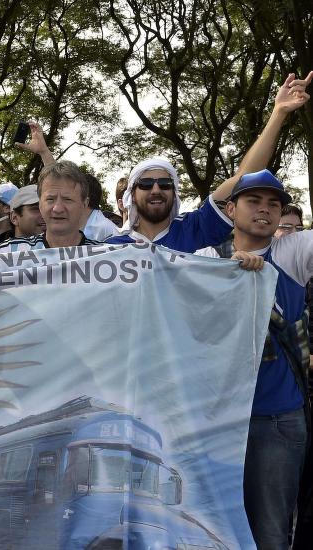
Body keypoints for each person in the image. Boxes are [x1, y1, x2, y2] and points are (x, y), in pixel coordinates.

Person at [195, 170, 308, 549]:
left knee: (272, 533)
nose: (264, 210)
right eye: (253, 201)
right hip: (216, 421)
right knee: (212, 530)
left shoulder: (291, 253)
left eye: (273, 204)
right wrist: (225, 276)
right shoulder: (206, 258)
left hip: (277, 419)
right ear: (230, 209)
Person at [107, 72, 312, 253]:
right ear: (131, 193)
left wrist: (279, 112)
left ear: (174, 192)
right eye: (145, 184)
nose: (155, 189)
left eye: (165, 184)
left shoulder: (195, 228)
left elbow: (243, 178)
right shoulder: (110, 248)